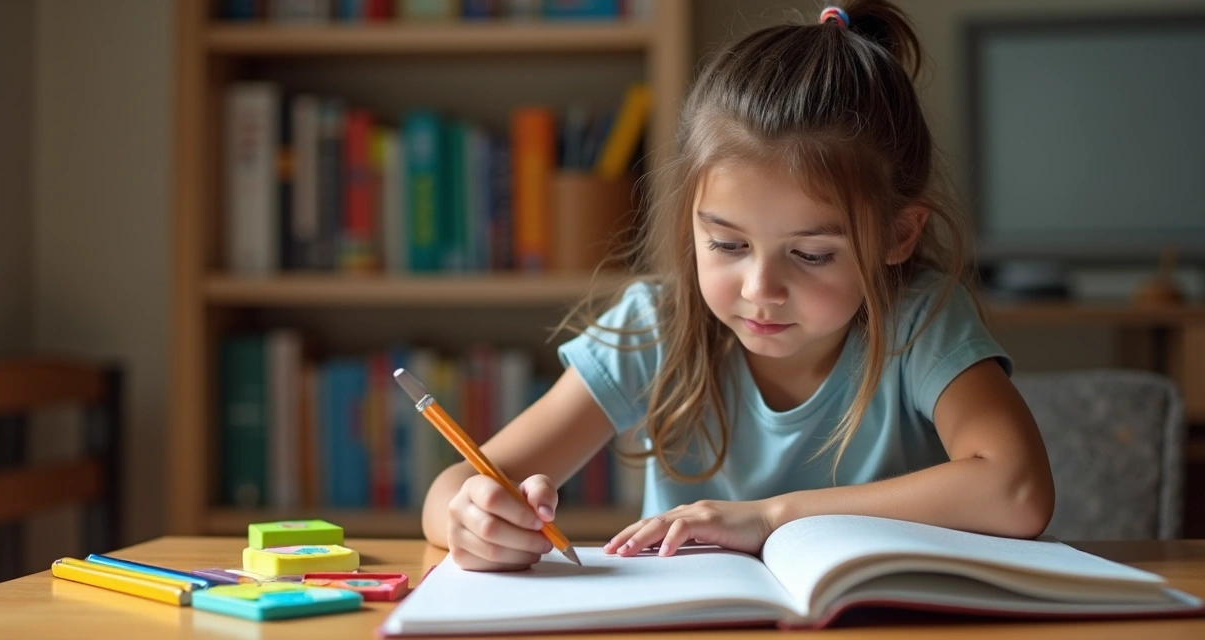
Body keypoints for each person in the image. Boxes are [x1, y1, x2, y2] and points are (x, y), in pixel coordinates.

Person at [422, 0, 1055, 572]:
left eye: (811, 254)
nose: (762, 287)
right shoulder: (654, 326)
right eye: (727, 245)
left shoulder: (920, 320)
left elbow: (1018, 490)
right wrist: (476, 517)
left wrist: (770, 517)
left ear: (899, 234)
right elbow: (451, 490)